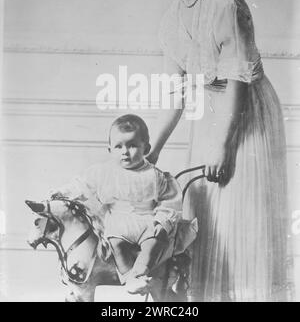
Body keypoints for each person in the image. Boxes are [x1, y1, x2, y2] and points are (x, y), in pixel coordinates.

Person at [146, 0, 292, 301]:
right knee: (209, 217)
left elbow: (238, 81)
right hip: (210, 114)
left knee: (242, 213)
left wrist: (223, 145)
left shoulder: (225, 1)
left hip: (245, 113)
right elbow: (175, 94)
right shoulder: (170, 22)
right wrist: (153, 151)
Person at [51, 114, 197, 295]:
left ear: (146, 148)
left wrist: (162, 222)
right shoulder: (103, 172)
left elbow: (170, 200)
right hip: (118, 222)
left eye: (132, 145)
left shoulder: (155, 175)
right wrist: (61, 193)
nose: (125, 151)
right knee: (116, 243)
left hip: (147, 220)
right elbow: (81, 185)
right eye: (118, 146)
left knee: (153, 243)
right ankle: (130, 279)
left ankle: (140, 273)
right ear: (110, 149)